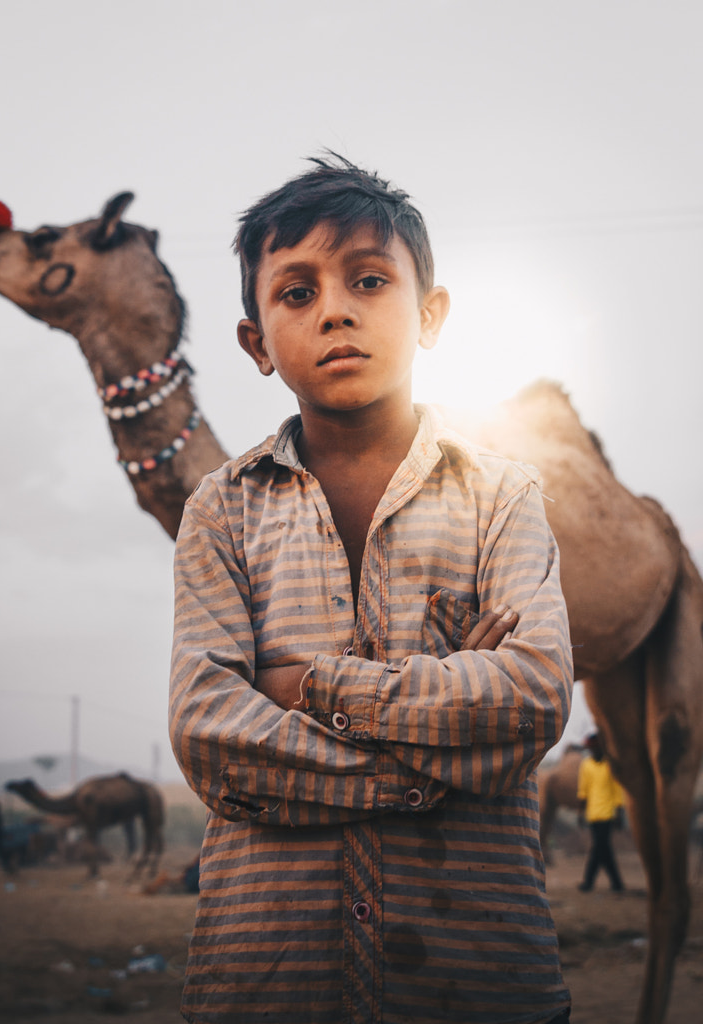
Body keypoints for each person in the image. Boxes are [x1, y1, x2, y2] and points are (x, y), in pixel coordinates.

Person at [169, 154, 574, 1024]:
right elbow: (207, 733)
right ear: (257, 344)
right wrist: (435, 760)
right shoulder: (219, 512)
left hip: (476, 979)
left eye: (367, 280)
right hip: (268, 981)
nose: (336, 310)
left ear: (429, 315)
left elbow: (534, 696)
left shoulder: (503, 496)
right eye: (296, 293)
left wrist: (307, 687)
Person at [576, 732, 625, 893]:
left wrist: (619, 811)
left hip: (608, 813)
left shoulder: (610, 765)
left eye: (596, 748)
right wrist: (580, 813)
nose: (594, 751)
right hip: (593, 813)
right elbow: (584, 790)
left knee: (599, 848)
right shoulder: (586, 765)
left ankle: (589, 882)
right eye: (591, 748)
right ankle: (615, 883)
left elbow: (617, 789)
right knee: (602, 849)